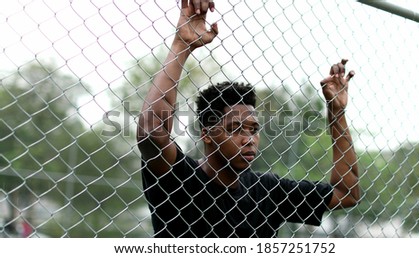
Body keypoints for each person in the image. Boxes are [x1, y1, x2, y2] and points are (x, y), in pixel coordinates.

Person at [137, 0, 360, 237]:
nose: (249, 139)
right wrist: (182, 44)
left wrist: (336, 114)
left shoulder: (267, 191)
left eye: (253, 129)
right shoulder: (181, 179)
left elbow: (347, 193)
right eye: (235, 129)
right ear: (207, 134)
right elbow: (153, 132)